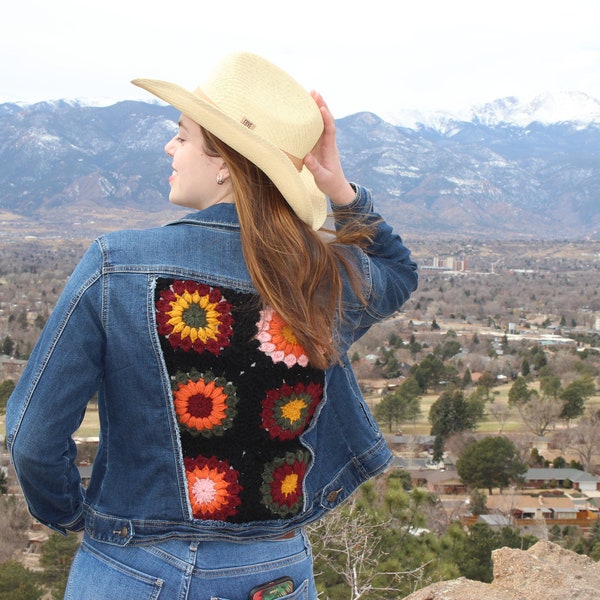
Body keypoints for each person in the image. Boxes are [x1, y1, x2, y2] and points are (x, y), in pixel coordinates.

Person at [6, 52, 418, 599]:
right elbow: (397, 272)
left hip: (132, 566)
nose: (168, 148)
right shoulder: (323, 278)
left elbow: (33, 438)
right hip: (275, 572)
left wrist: (74, 516)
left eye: (181, 135)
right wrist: (340, 190)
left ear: (224, 161)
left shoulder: (115, 265)